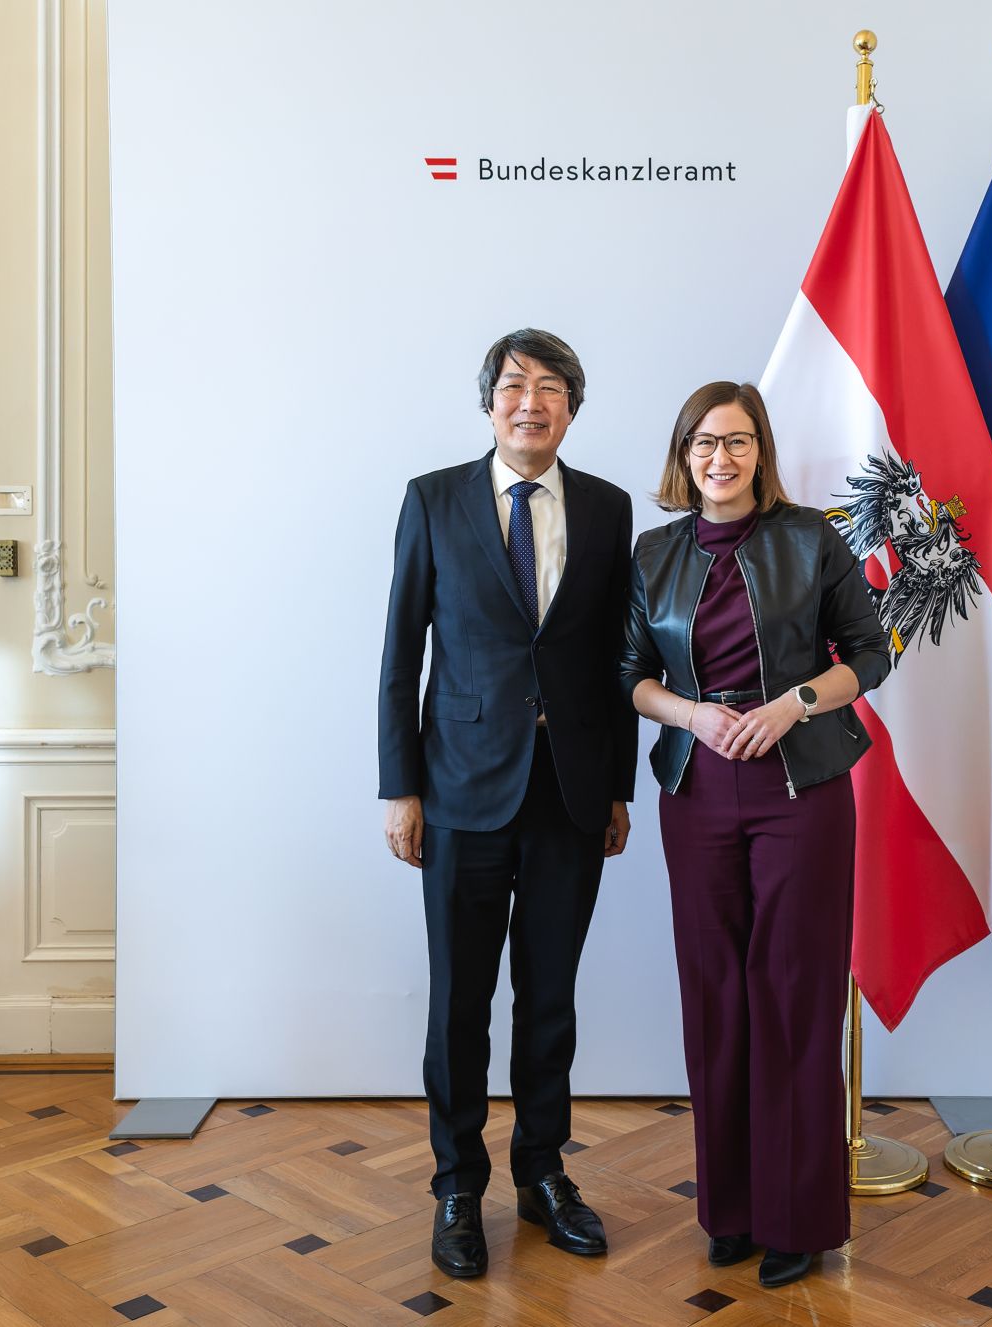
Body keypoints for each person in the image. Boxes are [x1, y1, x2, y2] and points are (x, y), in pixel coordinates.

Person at [378, 329, 638, 1279]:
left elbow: (621, 662)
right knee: (459, 1001)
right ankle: (457, 1184)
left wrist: (617, 784)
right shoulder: (434, 499)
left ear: (574, 405)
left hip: (569, 794)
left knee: (551, 997)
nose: (533, 401)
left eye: (552, 387)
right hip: (456, 791)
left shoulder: (609, 510)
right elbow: (401, 651)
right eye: (516, 386)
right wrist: (400, 786)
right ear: (489, 402)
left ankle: (541, 1175)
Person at [619, 381, 889, 1289]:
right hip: (696, 790)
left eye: (736, 442)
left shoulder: (810, 538)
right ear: (683, 454)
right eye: (703, 443)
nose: (719, 459)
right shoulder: (653, 553)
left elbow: (871, 652)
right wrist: (695, 717)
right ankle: (730, 1209)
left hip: (800, 787)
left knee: (793, 995)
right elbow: (630, 676)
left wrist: (793, 704)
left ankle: (797, 1217)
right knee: (715, 993)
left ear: (760, 452)